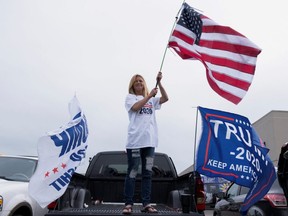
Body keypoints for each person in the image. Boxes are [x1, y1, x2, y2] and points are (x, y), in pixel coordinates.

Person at [122, 72, 168, 214]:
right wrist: (149, 96)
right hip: (135, 143)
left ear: (144, 83)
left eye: (141, 81)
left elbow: (166, 98)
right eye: (136, 82)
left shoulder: (153, 101)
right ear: (132, 85)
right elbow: (135, 108)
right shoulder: (130, 98)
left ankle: (146, 204)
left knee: (147, 172)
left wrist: (159, 82)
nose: (139, 83)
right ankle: (128, 204)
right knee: (133, 172)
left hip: (149, 143)